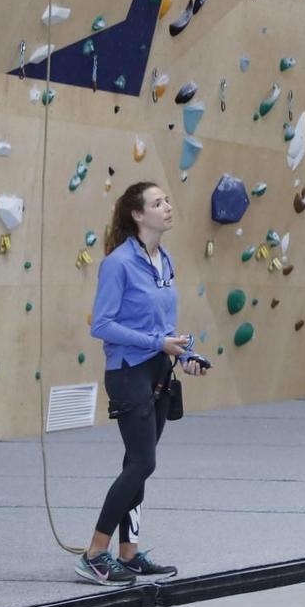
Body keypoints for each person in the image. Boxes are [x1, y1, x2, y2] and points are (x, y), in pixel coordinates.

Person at [77, 182, 208, 585]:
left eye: (166, 200)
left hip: (157, 371)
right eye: (157, 203)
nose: (167, 207)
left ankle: (128, 553)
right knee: (143, 462)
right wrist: (157, 343)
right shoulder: (118, 264)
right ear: (137, 215)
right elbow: (102, 325)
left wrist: (184, 354)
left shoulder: (163, 259)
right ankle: (94, 553)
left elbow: (162, 325)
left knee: (137, 465)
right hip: (128, 371)